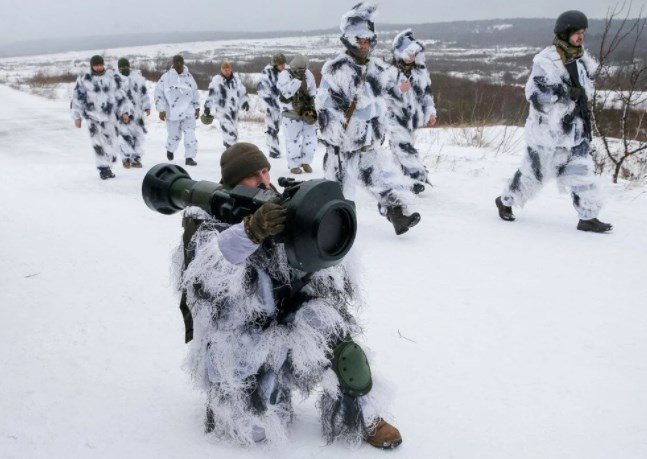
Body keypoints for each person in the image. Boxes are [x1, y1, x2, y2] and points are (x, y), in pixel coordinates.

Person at [175, 142, 402, 449]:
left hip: (285, 320)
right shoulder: (206, 223)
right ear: (233, 182)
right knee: (257, 432)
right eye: (253, 176)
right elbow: (206, 282)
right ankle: (229, 399)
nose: (264, 180)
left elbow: (322, 270)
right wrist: (250, 233)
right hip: (238, 338)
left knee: (334, 332)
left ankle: (367, 415)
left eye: (266, 170)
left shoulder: (278, 209)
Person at [495, 11, 612, 233]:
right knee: (534, 176)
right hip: (547, 133)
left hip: (575, 132)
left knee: (582, 172)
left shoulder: (581, 60)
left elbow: (584, 96)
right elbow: (534, 94)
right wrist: (564, 92)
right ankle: (506, 200)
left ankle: (587, 217)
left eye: (583, 33)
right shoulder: (546, 61)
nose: (581, 37)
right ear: (565, 32)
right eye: (577, 33)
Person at [316, 2, 421, 236]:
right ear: (349, 40)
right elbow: (324, 108)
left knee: (379, 177)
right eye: (359, 40)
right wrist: (335, 134)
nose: (364, 45)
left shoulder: (376, 68)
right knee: (337, 190)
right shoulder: (337, 70)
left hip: (369, 141)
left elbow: (387, 92)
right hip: (342, 145)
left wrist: (401, 91)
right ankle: (330, 229)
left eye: (367, 40)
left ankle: (398, 215)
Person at [383, 29, 437, 194]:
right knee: (403, 147)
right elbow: (381, 96)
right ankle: (415, 176)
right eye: (408, 54)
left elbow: (427, 95)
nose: (410, 58)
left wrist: (430, 112)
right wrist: (399, 90)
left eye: (413, 54)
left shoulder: (419, 73)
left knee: (402, 149)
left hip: (411, 119)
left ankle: (403, 179)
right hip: (394, 118)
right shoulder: (389, 72)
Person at [70, 55, 132, 179]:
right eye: (95, 65)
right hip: (93, 117)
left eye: (100, 64)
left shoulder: (112, 78)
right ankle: (103, 169)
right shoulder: (84, 79)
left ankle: (108, 164)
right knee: (98, 145)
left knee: (112, 144)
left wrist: (125, 112)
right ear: (92, 65)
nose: (98, 67)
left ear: (103, 65)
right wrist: (77, 117)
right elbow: (77, 98)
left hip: (110, 117)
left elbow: (120, 96)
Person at [154, 55, 200, 166]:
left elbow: (195, 93)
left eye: (181, 63)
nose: (179, 66)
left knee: (190, 135)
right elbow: (158, 94)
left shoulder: (189, 77)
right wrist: (161, 109)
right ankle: (170, 149)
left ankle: (189, 157)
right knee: (174, 136)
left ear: (183, 63)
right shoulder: (166, 78)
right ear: (173, 64)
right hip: (172, 113)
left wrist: (197, 107)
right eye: (177, 63)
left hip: (188, 112)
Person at [277, 54, 318, 174]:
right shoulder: (284, 75)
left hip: (306, 111)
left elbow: (312, 91)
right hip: (291, 113)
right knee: (293, 140)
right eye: (299, 69)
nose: (302, 71)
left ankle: (306, 162)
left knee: (311, 138)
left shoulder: (308, 74)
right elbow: (286, 93)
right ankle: (294, 165)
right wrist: (297, 80)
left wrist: (313, 108)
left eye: (303, 69)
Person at [202, 61, 249, 149]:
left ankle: (229, 145)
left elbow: (242, 92)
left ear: (231, 70)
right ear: (221, 70)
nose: (227, 72)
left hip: (234, 110)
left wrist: (245, 102)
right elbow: (211, 95)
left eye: (228, 70)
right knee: (229, 130)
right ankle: (231, 148)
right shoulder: (217, 81)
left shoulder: (236, 80)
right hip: (222, 110)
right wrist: (207, 107)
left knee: (234, 129)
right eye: (225, 70)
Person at [115, 58, 151, 169]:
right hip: (123, 114)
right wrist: (122, 112)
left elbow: (144, 94)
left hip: (137, 113)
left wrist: (147, 107)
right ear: (118, 68)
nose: (124, 69)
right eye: (122, 67)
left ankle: (136, 159)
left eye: (126, 67)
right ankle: (126, 158)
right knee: (125, 135)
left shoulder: (138, 79)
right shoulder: (116, 80)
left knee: (137, 136)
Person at [257, 53, 286, 158]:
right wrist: (272, 101)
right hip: (272, 107)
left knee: (288, 129)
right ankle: (273, 150)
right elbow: (262, 91)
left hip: (286, 106)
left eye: (283, 63)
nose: (282, 66)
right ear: (275, 64)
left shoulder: (287, 73)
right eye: (280, 64)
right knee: (272, 129)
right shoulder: (267, 74)